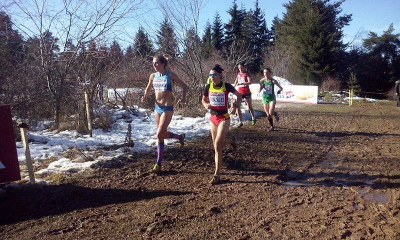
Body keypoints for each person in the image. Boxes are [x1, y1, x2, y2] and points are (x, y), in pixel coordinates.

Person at [141, 54, 188, 173]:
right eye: (153, 63)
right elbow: (148, 88)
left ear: (163, 64)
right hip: (157, 108)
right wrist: (145, 96)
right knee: (161, 135)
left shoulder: (170, 75)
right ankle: (179, 137)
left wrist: (183, 98)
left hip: (167, 108)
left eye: (157, 63)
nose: (155, 65)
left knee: (159, 134)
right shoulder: (153, 76)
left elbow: (184, 86)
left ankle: (158, 163)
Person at [202, 64, 242, 185]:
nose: (212, 77)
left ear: (220, 76)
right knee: (216, 147)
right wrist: (205, 105)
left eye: (214, 75)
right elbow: (203, 100)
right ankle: (230, 140)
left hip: (224, 117)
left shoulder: (227, 86)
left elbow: (239, 96)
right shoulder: (208, 86)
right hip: (213, 117)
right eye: (210, 75)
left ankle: (216, 174)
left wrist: (234, 107)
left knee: (218, 144)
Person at [259, 67, 283, 131]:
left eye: (267, 72)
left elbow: (281, 88)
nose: (265, 74)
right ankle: (274, 117)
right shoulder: (262, 81)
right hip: (265, 98)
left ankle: (272, 127)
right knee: (268, 115)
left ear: (270, 73)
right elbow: (259, 90)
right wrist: (261, 87)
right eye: (264, 72)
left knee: (270, 113)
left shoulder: (273, 80)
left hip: (272, 98)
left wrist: (279, 91)